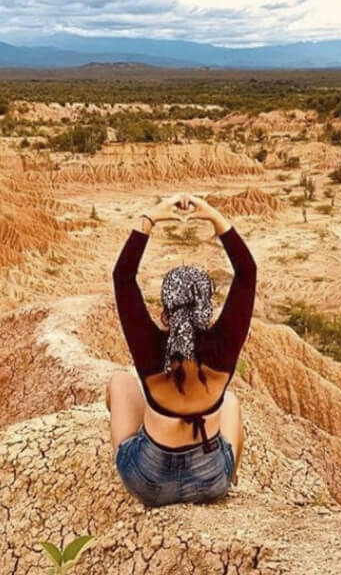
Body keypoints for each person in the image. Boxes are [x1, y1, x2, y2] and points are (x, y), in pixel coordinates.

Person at [106, 192, 257, 507]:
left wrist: (151, 217)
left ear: (166, 307)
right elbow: (247, 273)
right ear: (205, 307)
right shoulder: (223, 348)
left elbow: (123, 279)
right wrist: (213, 216)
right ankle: (232, 480)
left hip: (147, 482)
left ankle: (149, 451)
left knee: (119, 381)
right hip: (210, 482)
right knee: (230, 401)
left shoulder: (151, 347)